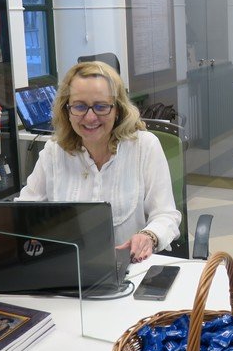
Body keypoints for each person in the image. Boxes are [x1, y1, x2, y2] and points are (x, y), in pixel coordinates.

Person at [18, 61, 181, 264]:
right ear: (67, 110)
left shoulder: (144, 146)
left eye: (101, 107)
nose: (90, 117)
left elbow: (166, 215)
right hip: (68, 268)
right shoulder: (54, 151)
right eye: (79, 106)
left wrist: (149, 236)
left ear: (117, 109)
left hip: (131, 267)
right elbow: (24, 212)